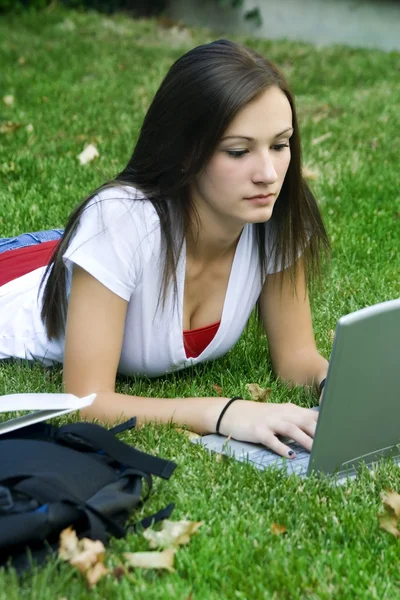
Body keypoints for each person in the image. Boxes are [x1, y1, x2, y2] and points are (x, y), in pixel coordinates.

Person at [0, 39, 330, 459]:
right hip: (12, 276)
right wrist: (225, 412)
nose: (268, 173)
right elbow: (87, 403)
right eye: (238, 151)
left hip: (78, 254)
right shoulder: (117, 221)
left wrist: (335, 382)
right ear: (183, 153)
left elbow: (297, 358)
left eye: (280, 145)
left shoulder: (274, 213)